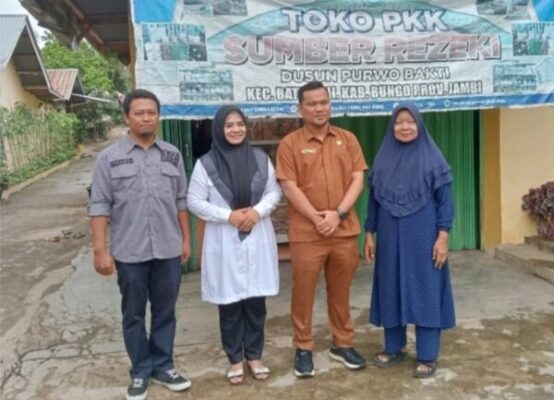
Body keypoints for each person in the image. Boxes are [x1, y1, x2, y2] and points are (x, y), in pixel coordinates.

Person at [88, 89, 192, 400]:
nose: (146, 118)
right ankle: (141, 371)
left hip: (168, 248)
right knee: (133, 314)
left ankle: (164, 365)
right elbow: (99, 205)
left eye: (151, 112)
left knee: (165, 311)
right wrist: (100, 250)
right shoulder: (109, 158)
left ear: (158, 116)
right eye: (139, 113)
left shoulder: (172, 155)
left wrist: (186, 239)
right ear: (126, 117)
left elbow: (181, 201)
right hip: (129, 251)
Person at [276, 81, 368, 378]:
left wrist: (338, 214)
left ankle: (342, 344)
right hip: (307, 233)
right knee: (303, 292)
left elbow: (358, 179)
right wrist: (317, 219)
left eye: (324, 102)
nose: (319, 108)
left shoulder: (348, 139)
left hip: (343, 230)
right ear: (300, 109)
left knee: (340, 291)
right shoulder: (290, 143)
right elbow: (288, 186)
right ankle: (303, 347)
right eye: (312, 104)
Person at [187, 105, 282, 385]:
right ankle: (235, 360)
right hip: (224, 240)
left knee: (256, 303)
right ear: (219, 129)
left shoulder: (260, 158)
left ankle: (255, 356)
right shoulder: (205, 164)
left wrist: (256, 212)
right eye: (229, 125)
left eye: (240, 124)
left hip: (257, 234)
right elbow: (194, 201)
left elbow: (274, 191)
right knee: (229, 305)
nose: (236, 129)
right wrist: (228, 216)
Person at [364, 103, 455, 379]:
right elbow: (373, 200)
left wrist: (442, 237)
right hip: (389, 234)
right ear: (392, 126)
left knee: (425, 287)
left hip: (423, 234)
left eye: (410, 121)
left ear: (419, 125)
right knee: (390, 285)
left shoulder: (433, 158)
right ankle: (395, 347)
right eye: (399, 122)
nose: (405, 127)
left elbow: (445, 202)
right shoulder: (383, 159)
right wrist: (369, 233)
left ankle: (427, 354)